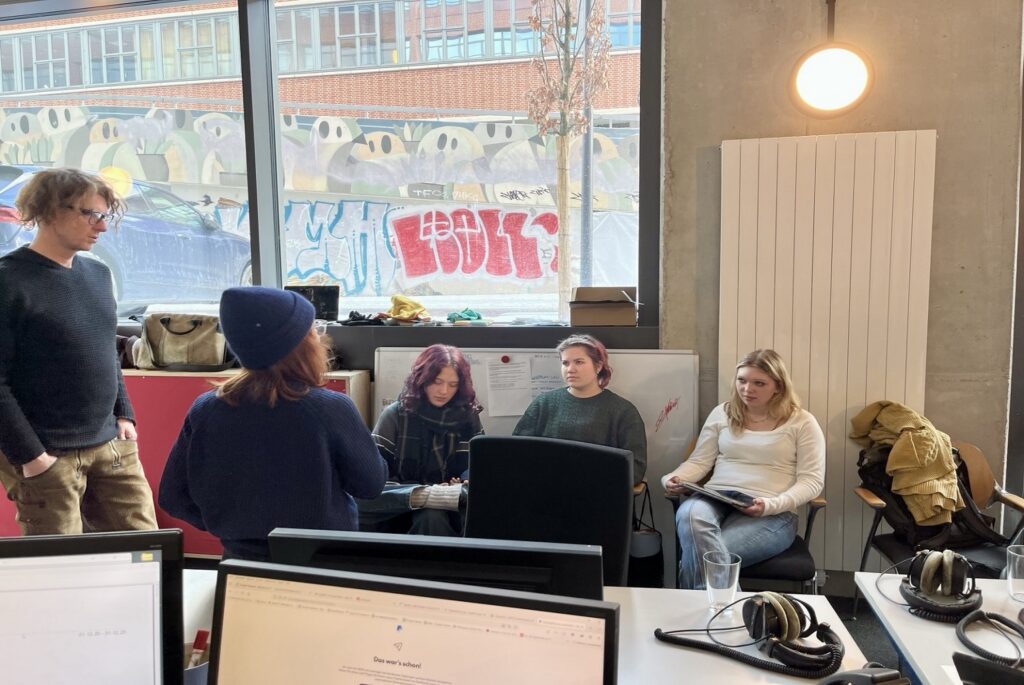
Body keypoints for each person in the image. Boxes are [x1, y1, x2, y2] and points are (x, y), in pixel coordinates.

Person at [158, 286, 387, 560]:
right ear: (300, 345)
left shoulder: (206, 409)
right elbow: (371, 485)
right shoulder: (330, 408)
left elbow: (173, 496)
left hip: (240, 563)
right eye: (313, 330)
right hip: (323, 565)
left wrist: (229, 526)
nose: (321, 336)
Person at [0, 168, 157, 534]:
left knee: (148, 552)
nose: (101, 227)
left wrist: (125, 415)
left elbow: (106, 351)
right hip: (47, 455)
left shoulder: (98, 275)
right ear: (50, 211)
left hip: (113, 447)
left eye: (104, 216)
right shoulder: (8, 282)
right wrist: (32, 457)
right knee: (61, 564)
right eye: (91, 214)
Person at [662, 349, 825, 589]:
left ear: (778, 386)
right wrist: (673, 478)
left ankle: (710, 609)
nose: (747, 389)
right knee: (688, 513)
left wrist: (771, 505)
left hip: (772, 511)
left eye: (759, 383)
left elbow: (812, 482)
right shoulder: (723, 413)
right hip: (717, 497)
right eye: (742, 380)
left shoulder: (802, 422)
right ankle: (729, 611)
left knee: (705, 557)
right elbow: (699, 462)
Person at [358, 344, 484, 536]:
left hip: (453, 506)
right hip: (400, 506)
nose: (444, 391)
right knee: (429, 514)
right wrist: (429, 494)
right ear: (422, 380)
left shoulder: (468, 417)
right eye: (437, 382)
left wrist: (465, 481)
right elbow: (373, 479)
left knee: (437, 513)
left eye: (453, 385)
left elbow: (477, 467)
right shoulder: (395, 415)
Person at [513, 334, 647, 484]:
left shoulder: (623, 411)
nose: (570, 369)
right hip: (546, 487)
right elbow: (517, 452)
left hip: (597, 491)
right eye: (565, 363)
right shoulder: (543, 403)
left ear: (598, 366)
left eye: (579, 362)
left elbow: (636, 468)